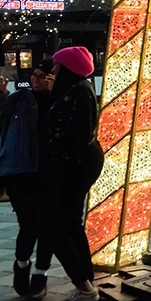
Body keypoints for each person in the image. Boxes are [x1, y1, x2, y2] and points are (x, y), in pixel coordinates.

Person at [38, 47, 103, 301]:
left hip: (74, 168)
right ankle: (86, 280)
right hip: (77, 165)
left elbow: (72, 135)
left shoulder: (78, 92)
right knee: (71, 222)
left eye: (57, 66)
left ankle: (84, 285)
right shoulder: (76, 89)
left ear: (68, 68)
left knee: (54, 226)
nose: (53, 71)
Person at [0, 59, 54, 299]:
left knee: (47, 226)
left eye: (42, 76)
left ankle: (40, 275)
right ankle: (21, 265)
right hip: (20, 173)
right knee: (29, 225)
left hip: (48, 173)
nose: (36, 80)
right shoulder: (19, 99)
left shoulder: (61, 101)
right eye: (34, 75)